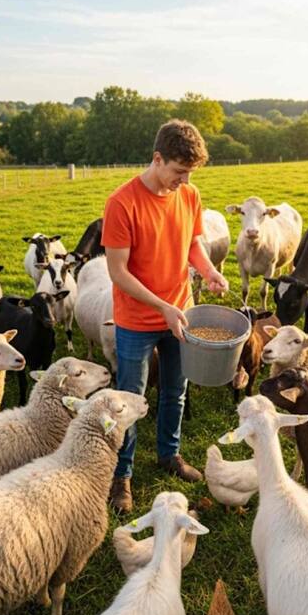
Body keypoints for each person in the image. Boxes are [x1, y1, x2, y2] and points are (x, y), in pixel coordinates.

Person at [101, 119, 228, 512]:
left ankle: (168, 454)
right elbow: (118, 272)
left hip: (180, 316)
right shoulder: (122, 203)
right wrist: (162, 306)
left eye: (189, 174)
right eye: (178, 172)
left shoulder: (188, 195)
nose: (184, 180)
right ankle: (122, 473)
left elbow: (192, 243)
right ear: (157, 159)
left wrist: (208, 270)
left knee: (176, 390)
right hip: (137, 321)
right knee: (130, 398)